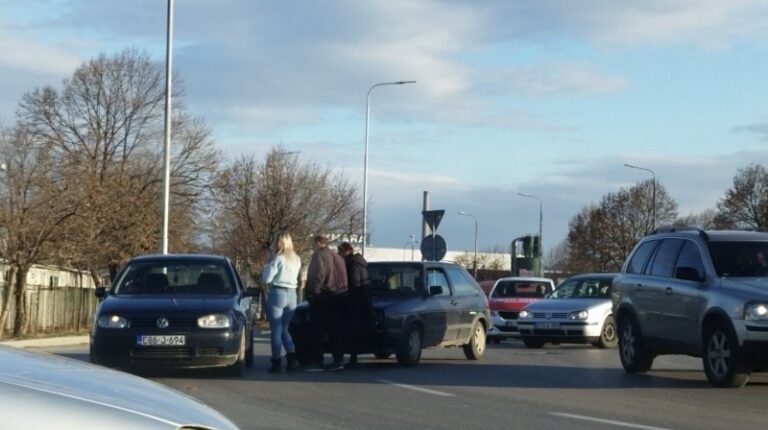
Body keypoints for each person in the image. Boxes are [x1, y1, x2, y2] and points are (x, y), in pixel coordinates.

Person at [305, 235, 349, 371]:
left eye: (313, 244)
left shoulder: (319, 256)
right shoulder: (338, 257)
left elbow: (317, 276)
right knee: (335, 331)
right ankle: (338, 360)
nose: (312, 247)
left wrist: (313, 293)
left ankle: (317, 361)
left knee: (317, 330)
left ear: (318, 243)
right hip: (339, 295)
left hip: (323, 297)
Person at [261, 231, 302, 373]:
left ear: (279, 242)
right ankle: (292, 359)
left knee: (276, 330)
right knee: (285, 328)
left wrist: (266, 265)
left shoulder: (278, 258)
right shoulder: (296, 258)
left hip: (278, 292)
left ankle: (276, 362)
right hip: (292, 294)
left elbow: (267, 279)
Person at [337, 242, 373, 369]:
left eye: (339, 252)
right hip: (363, 302)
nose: (338, 255)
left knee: (351, 332)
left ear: (345, 251)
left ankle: (352, 358)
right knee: (356, 331)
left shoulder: (351, 264)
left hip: (353, 303)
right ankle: (353, 357)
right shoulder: (361, 263)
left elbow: (353, 283)